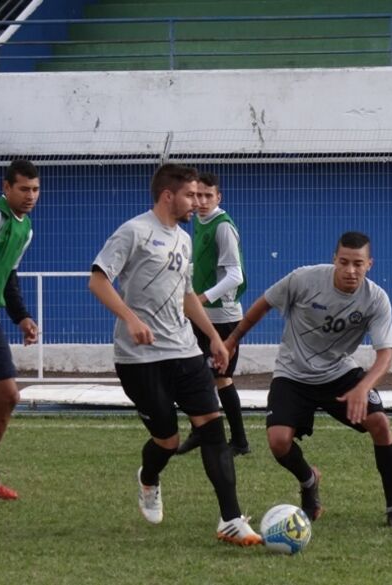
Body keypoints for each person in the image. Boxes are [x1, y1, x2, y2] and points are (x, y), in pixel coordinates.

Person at [88, 163, 262, 546]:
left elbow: (185, 296)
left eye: (201, 195)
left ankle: (230, 520)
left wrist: (214, 337)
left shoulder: (183, 239)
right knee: (167, 441)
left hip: (184, 350)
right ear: (169, 195)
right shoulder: (134, 231)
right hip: (139, 357)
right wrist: (130, 318)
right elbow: (98, 281)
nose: (197, 202)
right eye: (190, 195)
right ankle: (148, 478)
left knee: (212, 427)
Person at [224, 231, 392, 528]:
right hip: (292, 373)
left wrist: (363, 388)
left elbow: (385, 354)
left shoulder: (375, 299)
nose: (351, 270)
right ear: (334, 259)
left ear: (369, 264)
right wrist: (231, 340)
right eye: (344, 262)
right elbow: (263, 303)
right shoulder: (304, 279)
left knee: (380, 424)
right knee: (278, 442)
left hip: (339, 373)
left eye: (358, 264)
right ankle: (309, 479)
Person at [0, 160, 40, 501]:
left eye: (35, 189)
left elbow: (8, 278)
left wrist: (22, 317)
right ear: (6, 188)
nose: (30, 196)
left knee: (8, 396)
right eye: (23, 189)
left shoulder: (26, 229)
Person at [177, 172, 250, 457]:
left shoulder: (222, 227)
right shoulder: (198, 222)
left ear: (219, 198)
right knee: (201, 376)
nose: (202, 201)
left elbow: (235, 274)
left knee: (217, 378)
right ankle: (206, 433)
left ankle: (236, 440)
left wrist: (203, 297)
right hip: (202, 315)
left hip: (223, 317)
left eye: (208, 196)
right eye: (197, 196)